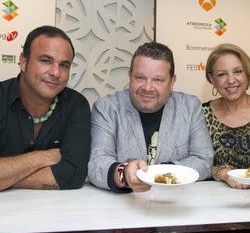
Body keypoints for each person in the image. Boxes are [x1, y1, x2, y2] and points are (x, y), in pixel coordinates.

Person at [88, 41, 214, 193]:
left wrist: (163, 173)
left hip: (176, 203)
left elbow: (204, 159)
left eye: (158, 80)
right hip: (123, 206)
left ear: (172, 81)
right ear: (130, 76)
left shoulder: (190, 107)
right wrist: (124, 174)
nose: (147, 88)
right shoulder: (106, 107)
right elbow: (97, 162)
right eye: (140, 78)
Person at [0, 25, 91, 191]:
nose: (56, 73)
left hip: (56, 213)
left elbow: (73, 175)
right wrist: (42, 158)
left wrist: (7, 176)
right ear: (23, 61)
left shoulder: (76, 105)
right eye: (46, 61)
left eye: (64, 65)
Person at [202, 43, 250, 189]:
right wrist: (221, 173)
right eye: (222, 74)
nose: (230, 80)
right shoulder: (200, 115)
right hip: (213, 203)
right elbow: (191, 163)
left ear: (247, 74)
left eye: (237, 71)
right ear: (212, 79)